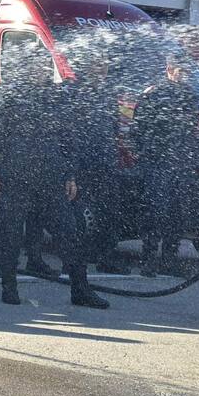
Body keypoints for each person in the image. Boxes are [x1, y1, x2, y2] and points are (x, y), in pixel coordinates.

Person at [0, 45, 109, 308]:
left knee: (70, 232)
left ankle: (80, 290)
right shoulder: (9, 95)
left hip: (51, 177)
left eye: (43, 65)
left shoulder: (57, 97)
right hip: (17, 176)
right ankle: (9, 286)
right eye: (34, 65)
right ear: (25, 67)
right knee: (11, 233)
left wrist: (70, 175)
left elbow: (68, 139)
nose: (40, 70)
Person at [132, 55, 199, 278]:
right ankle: (149, 260)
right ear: (169, 69)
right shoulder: (154, 92)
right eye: (179, 69)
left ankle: (170, 260)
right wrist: (148, 153)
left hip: (180, 163)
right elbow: (138, 125)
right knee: (155, 212)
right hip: (158, 163)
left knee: (177, 214)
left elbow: (191, 128)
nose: (183, 74)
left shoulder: (189, 94)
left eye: (186, 70)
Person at [70, 47, 131, 274]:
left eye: (104, 63)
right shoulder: (78, 92)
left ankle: (106, 256)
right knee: (78, 213)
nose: (102, 67)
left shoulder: (107, 92)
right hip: (83, 162)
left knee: (110, 212)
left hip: (106, 162)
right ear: (87, 66)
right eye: (97, 63)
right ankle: (76, 256)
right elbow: (72, 131)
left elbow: (113, 127)